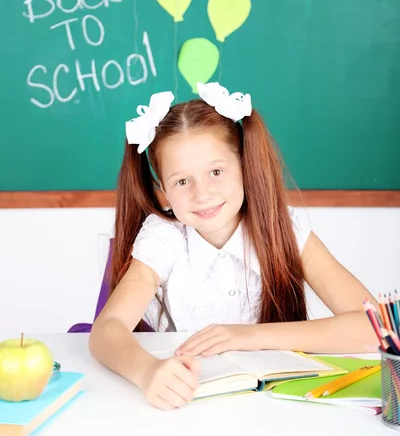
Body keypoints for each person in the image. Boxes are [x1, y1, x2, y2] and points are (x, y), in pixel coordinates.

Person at [89, 81, 378, 410]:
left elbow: (376, 327)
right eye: (182, 181)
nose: (202, 193)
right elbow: (106, 330)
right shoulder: (163, 237)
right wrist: (147, 371)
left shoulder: (284, 228)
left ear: (245, 168)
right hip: (190, 405)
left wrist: (248, 336)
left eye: (216, 171)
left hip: (280, 409)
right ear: (163, 193)